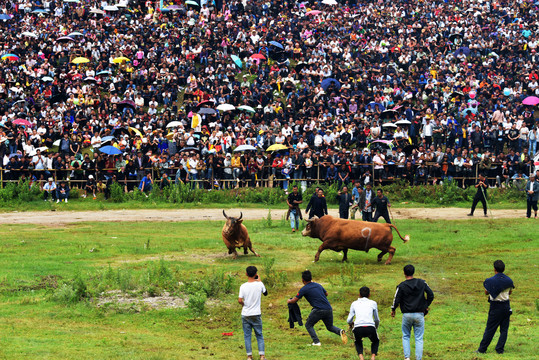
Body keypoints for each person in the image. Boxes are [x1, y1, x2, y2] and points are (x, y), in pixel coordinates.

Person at [287, 270, 348, 346]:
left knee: (308, 325)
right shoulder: (318, 285)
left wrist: (289, 301)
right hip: (328, 309)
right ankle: (340, 331)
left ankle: (316, 342)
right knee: (330, 326)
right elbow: (326, 294)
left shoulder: (304, 289)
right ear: (311, 278)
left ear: (302, 280)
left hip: (318, 310)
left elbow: (295, 300)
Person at [391, 264, 434, 360]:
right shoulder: (422, 283)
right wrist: (425, 305)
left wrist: (393, 309)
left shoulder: (402, 285)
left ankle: (407, 358)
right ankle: (418, 358)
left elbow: (396, 299)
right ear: (413, 272)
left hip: (406, 314)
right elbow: (431, 294)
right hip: (419, 314)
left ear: (404, 273)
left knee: (406, 336)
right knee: (419, 338)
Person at [476, 260, 514, 355]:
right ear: (504, 269)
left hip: (495, 307)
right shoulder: (509, 280)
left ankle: (482, 349)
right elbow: (510, 292)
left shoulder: (490, 281)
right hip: (506, 306)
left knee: (490, 329)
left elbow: (486, 292)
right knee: (504, 329)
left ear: (494, 269)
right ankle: (500, 349)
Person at [238, 266, 268, 360]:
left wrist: (244, 305)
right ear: (256, 274)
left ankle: (249, 356)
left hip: (246, 313)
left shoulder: (243, 286)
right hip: (256, 313)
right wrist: (260, 281)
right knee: (259, 334)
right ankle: (262, 356)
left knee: (247, 335)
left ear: (246, 274)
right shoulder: (260, 284)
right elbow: (266, 293)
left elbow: (239, 300)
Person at [347, 286, 380, 360]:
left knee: (358, 341)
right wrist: (375, 328)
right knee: (375, 341)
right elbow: (377, 319)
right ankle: (373, 357)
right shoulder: (373, 303)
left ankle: (361, 358)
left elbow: (349, 320)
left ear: (359, 294)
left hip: (358, 328)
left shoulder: (354, 303)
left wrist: (351, 323)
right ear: (369, 295)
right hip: (370, 327)